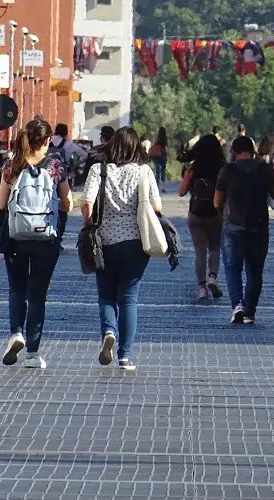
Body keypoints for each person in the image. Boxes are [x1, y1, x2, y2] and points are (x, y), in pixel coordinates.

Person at [82, 127, 160, 370]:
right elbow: (156, 207)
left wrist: (89, 226)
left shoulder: (99, 169)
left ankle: (108, 331)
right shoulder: (144, 171)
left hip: (104, 241)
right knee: (129, 298)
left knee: (106, 294)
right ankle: (125, 356)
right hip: (136, 242)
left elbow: (86, 203)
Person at [0, 118, 71, 370]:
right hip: (46, 238)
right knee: (38, 295)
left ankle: (16, 332)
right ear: (48, 140)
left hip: (15, 237)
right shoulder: (56, 166)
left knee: (17, 289)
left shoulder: (12, 165)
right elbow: (67, 203)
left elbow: (0, 204)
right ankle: (32, 353)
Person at [215, 136, 274, 324]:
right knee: (255, 270)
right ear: (252, 150)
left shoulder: (227, 170)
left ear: (234, 152)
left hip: (233, 226)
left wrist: (224, 213)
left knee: (232, 268)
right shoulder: (263, 169)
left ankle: (237, 305)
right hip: (258, 226)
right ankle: (250, 311)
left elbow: (217, 201)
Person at [179, 135, 225, 300]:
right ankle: (213, 276)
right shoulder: (222, 168)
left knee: (199, 250)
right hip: (215, 212)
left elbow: (182, 191)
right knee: (214, 247)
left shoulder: (193, 168)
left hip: (196, 212)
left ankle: (202, 288)